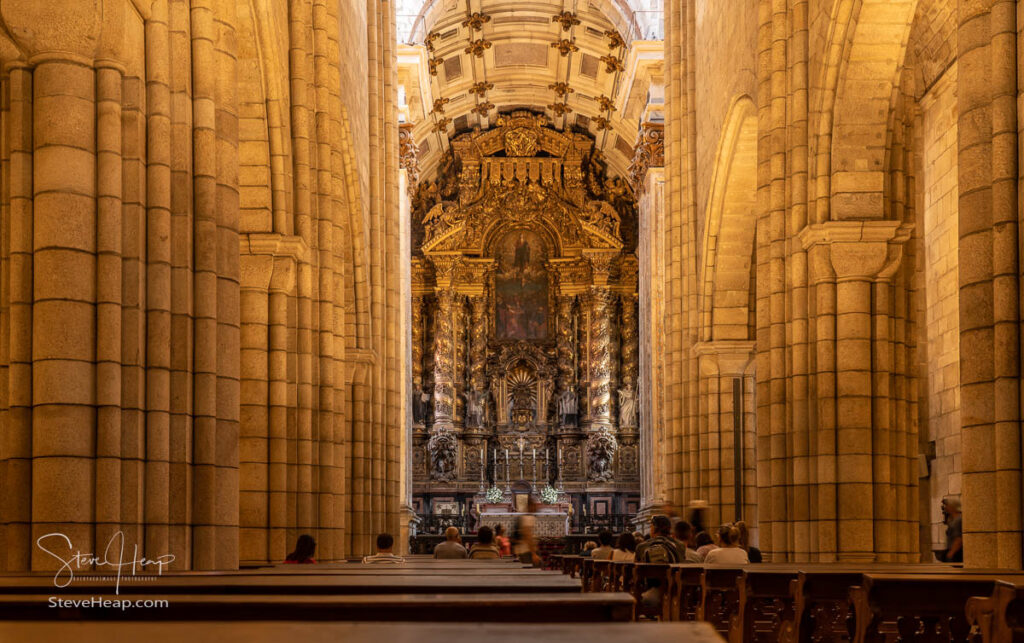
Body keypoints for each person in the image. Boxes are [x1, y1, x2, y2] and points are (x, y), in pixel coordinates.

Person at [634, 515, 682, 609]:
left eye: (651, 526)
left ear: (654, 528)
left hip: (652, 593)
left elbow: (636, 571)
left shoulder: (642, 547)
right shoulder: (680, 546)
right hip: (676, 592)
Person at [512, 499, 541, 566]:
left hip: (523, 550)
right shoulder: (528, 518)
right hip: (527, 551)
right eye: (534, 506)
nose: (536, 508)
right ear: (530, 506)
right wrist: (534, 553)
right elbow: (528, 536)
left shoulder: (523, 517)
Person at [941, 497, 963, 563]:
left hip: (956, 552)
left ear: (952, 506)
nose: (946, 508)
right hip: (953, 550)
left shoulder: (958, 519)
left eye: (947, 505)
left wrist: (951, 553)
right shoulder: (953, 519)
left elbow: (959, 538)